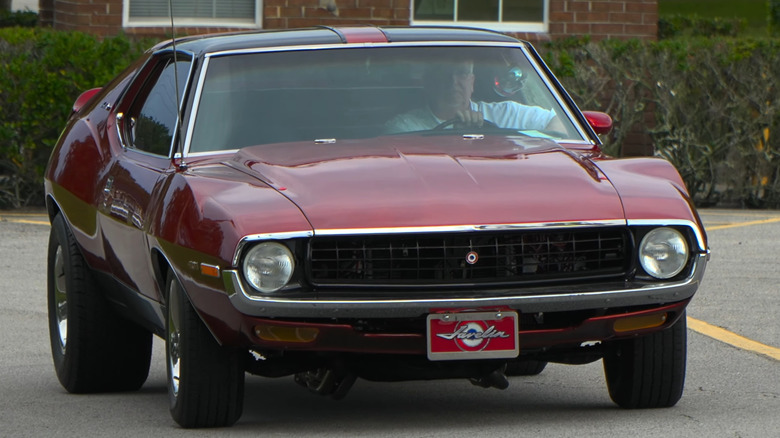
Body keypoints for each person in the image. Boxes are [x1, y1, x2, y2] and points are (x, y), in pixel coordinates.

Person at [385, 60, 566, 134]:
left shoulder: (505, 113)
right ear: (429, 83)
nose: (453, 81)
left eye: (462, 74)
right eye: (445, 74)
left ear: (472, 82)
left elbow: (562, 122)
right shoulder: (406, 127)